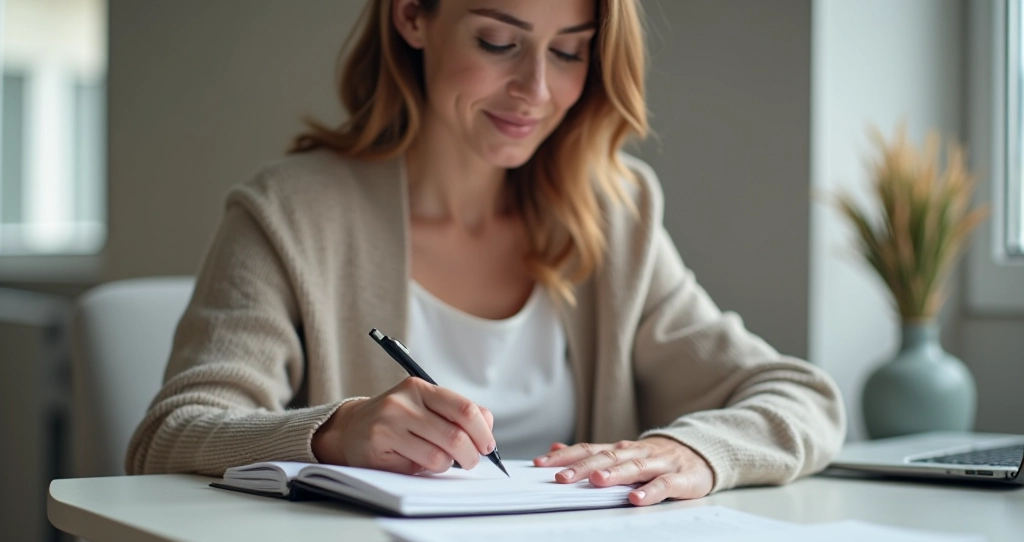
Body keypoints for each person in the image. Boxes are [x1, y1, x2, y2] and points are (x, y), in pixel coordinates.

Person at [126, 0, 846, 506]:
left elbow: (801, 398)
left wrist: (696, 453)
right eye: (498, 42)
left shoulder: (612, 215)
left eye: (568, 50)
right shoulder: (290, 214)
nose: (536, 90)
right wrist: (335, 432)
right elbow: (168, 436)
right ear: (413, 14)